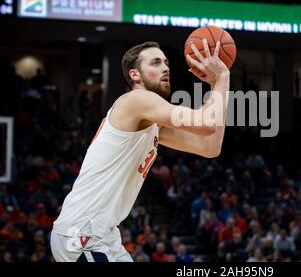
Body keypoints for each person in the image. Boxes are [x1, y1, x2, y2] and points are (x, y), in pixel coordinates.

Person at [50, 39, 230, 262]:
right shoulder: (136, 100)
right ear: (135, 75)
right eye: (155, 63)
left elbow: (210, 147)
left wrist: (218, 85)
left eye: (166, 63)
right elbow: (207, 123)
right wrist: (222, 77)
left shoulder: (151, 121)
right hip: (82, 234)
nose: (165, 67)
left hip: (104, 236)